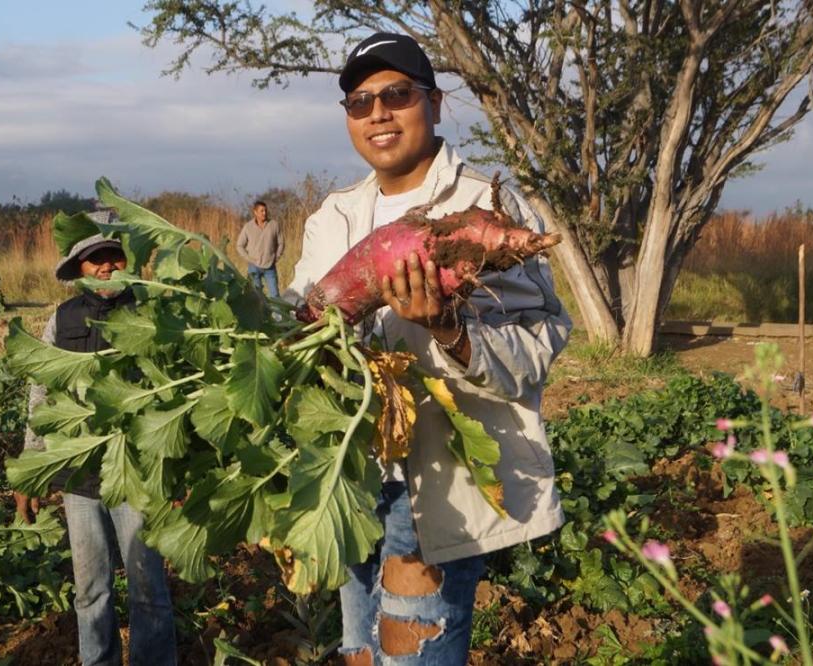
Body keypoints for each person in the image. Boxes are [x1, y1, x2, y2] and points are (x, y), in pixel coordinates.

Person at [284, 32, 571, 664]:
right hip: (350, 476)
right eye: (360, 102)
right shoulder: (332, 218)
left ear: (435, 104)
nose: (378, 112)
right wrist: (307, 339)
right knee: (360, 651)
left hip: (434, 484)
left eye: (397, 94)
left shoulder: (480, 206)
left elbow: (540, 344)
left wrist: (449, 328)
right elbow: (302, 330)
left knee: (411, 655)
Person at [14, 228, 177, 666]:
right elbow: (42, 392)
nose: (106, 266)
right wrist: (33, 462)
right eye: (94, 259)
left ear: (129, 261)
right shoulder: (63, 318)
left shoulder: (154, 314)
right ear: (79, 269)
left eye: (114, 256)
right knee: (90, 591)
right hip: (79, 475)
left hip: (136, 473)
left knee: (148, 591)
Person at [236, 199, 284, 297]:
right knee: (256, 297)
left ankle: (277, 313)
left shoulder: (274, 225)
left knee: (275, 295)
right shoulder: (248, 227)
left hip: (270, 266)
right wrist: (249, 259)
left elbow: (281, 243)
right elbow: (239, 245)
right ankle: (261, 312)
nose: (264, 213)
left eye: (265, 210)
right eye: (261, 211)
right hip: (254, 267)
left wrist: (277, 257)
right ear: (255, 212)